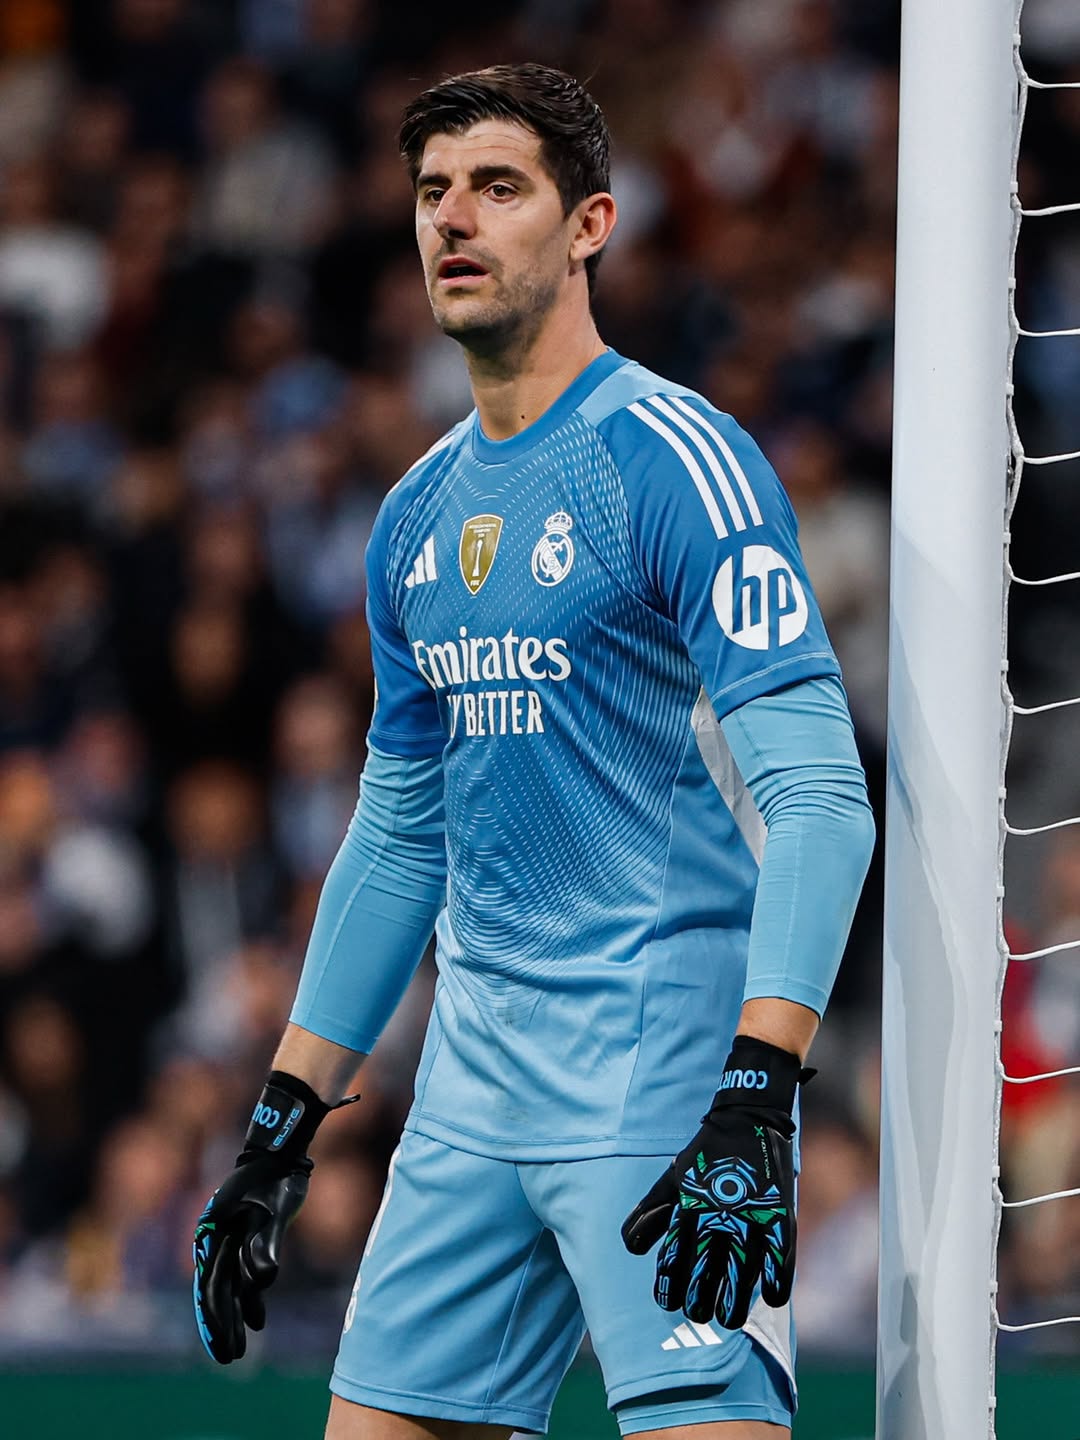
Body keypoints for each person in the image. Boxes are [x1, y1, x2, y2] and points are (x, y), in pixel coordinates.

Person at [192, 63, 875, 1440]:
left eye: (498, 187)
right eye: (433, 191)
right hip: (469, 1097)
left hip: (662, 1080)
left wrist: (757, 1092)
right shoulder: (413, 515)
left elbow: (822, 800)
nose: (453, 217)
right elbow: (400, 837)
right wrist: (282, 1120)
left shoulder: (682, 461)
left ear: (590, 226)